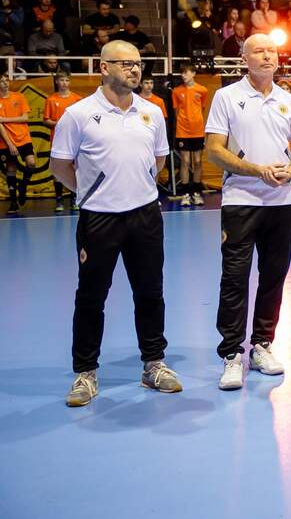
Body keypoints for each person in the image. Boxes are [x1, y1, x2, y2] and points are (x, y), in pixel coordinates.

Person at [51, 41, 180, 407]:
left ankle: (153, 364)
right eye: (126, 63)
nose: (135, 69)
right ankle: (85, 372)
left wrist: (135, 186)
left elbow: (158, 161)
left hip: (145, 216)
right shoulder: (78, 114)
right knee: (91, 297)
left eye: (138, 63)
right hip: (99, 219)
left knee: (150, 292)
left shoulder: (152, 112)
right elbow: (60, 167)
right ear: (103, 67)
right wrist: (93, 192)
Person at [205, 34, 291, 390]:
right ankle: (232, 354)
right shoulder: (226, 97)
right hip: (240, 201)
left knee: (274, 276)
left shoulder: (288, 101)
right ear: (244, 58)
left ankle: (262, 345)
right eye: (259, 51)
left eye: (272, 51)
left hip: (281, 203)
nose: (267, 56)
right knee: (234, 278)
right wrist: (256, 170)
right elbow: (214, 150)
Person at [42, 72, 82, 212]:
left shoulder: (77, 99)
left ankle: (75, 198)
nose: (64, 83)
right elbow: (46, 120)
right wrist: (60, 124)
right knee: (59, 168)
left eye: (67, 80)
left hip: (75, 140)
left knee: (75, 168)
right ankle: (59, 200)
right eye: (61, 80)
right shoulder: (51, 99)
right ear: (56, 82)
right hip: (58, 140)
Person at [171, 63, 209, 206]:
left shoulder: (203, 90)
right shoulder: (176, 91)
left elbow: (202, 108)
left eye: (186, 73)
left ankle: (197, 193)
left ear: (193, 73)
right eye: (182, 73)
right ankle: (186, 194)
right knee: (185, 162)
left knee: (198, 161)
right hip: (182, 131)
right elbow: (176, 111)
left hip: (198, 131)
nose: (183, 75)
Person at [0, 71, 36, 215]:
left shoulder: (19, 96)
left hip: (23, 138)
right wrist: (10, 144)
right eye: (1, 81)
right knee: (11, 169)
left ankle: (23, 185)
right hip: (6, 141)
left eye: (6, 80)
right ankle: (13, 202)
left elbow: (25, 118)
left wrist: (5, 119)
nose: (5, 83)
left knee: (31, 163)